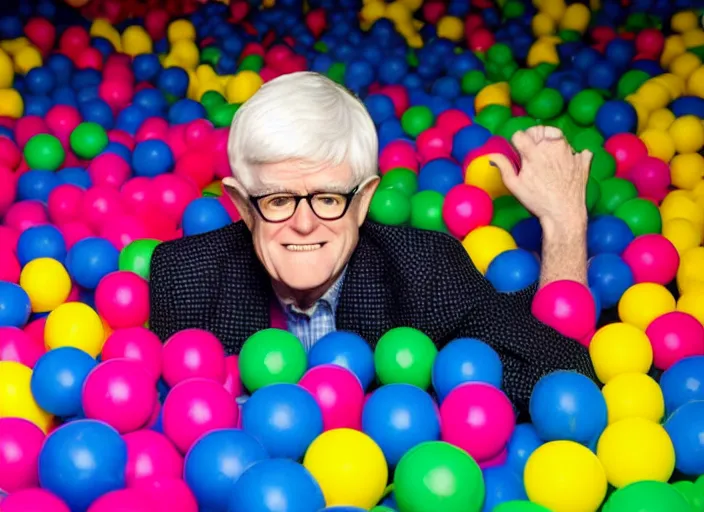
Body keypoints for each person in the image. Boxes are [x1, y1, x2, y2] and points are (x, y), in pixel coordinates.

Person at [149, 71, 597, 415]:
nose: (304, 224)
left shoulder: (423, 268)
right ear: (243, 205)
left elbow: (556, 374)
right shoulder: (186, 276)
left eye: (328, 198)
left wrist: (564, 224)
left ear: (363, 201)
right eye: (278, 199)